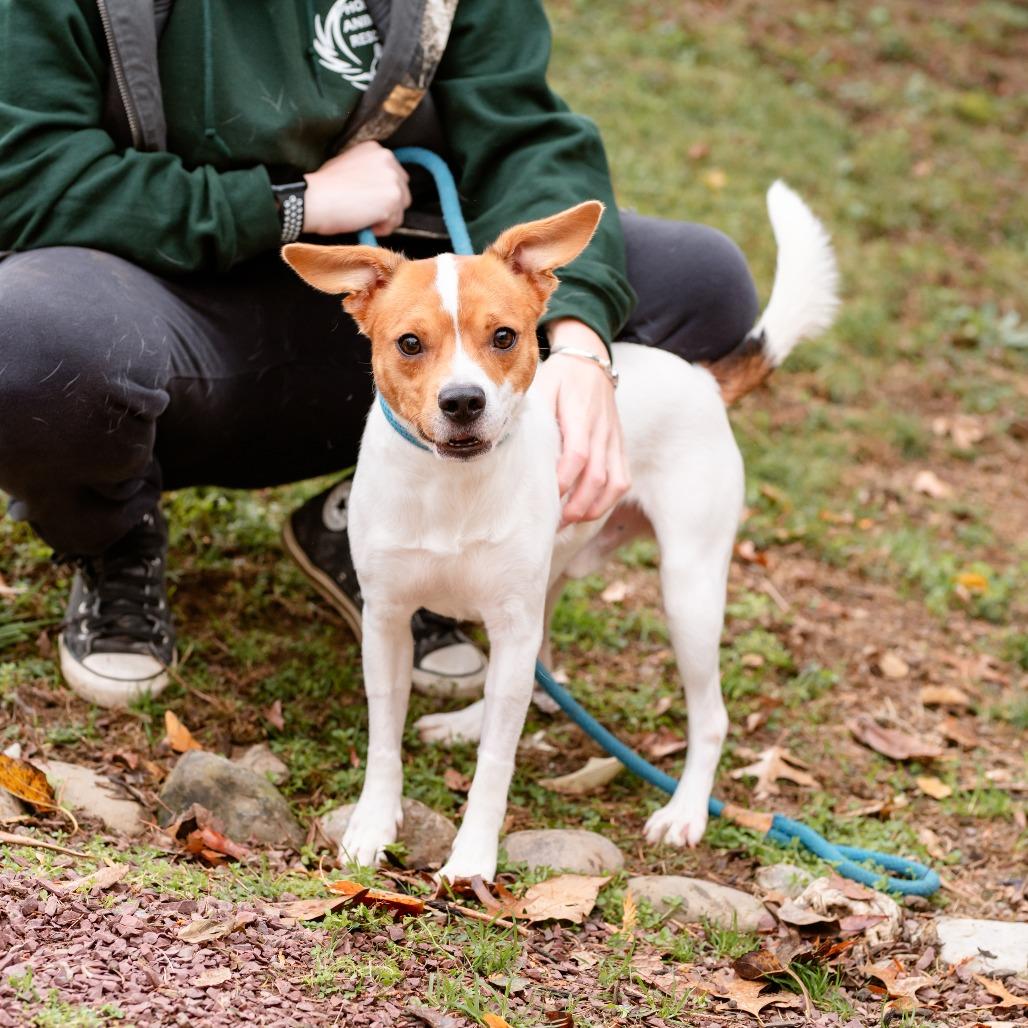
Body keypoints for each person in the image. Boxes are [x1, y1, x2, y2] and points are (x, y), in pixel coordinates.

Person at [0, 0, 758, 708]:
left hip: (398, 295)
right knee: (26, 342)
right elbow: (31, 176)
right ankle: (113, 535)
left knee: (700, 284)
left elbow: (522, 135)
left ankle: (381, 515)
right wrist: (290, 205)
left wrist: (582, 343)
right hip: (158, 299)